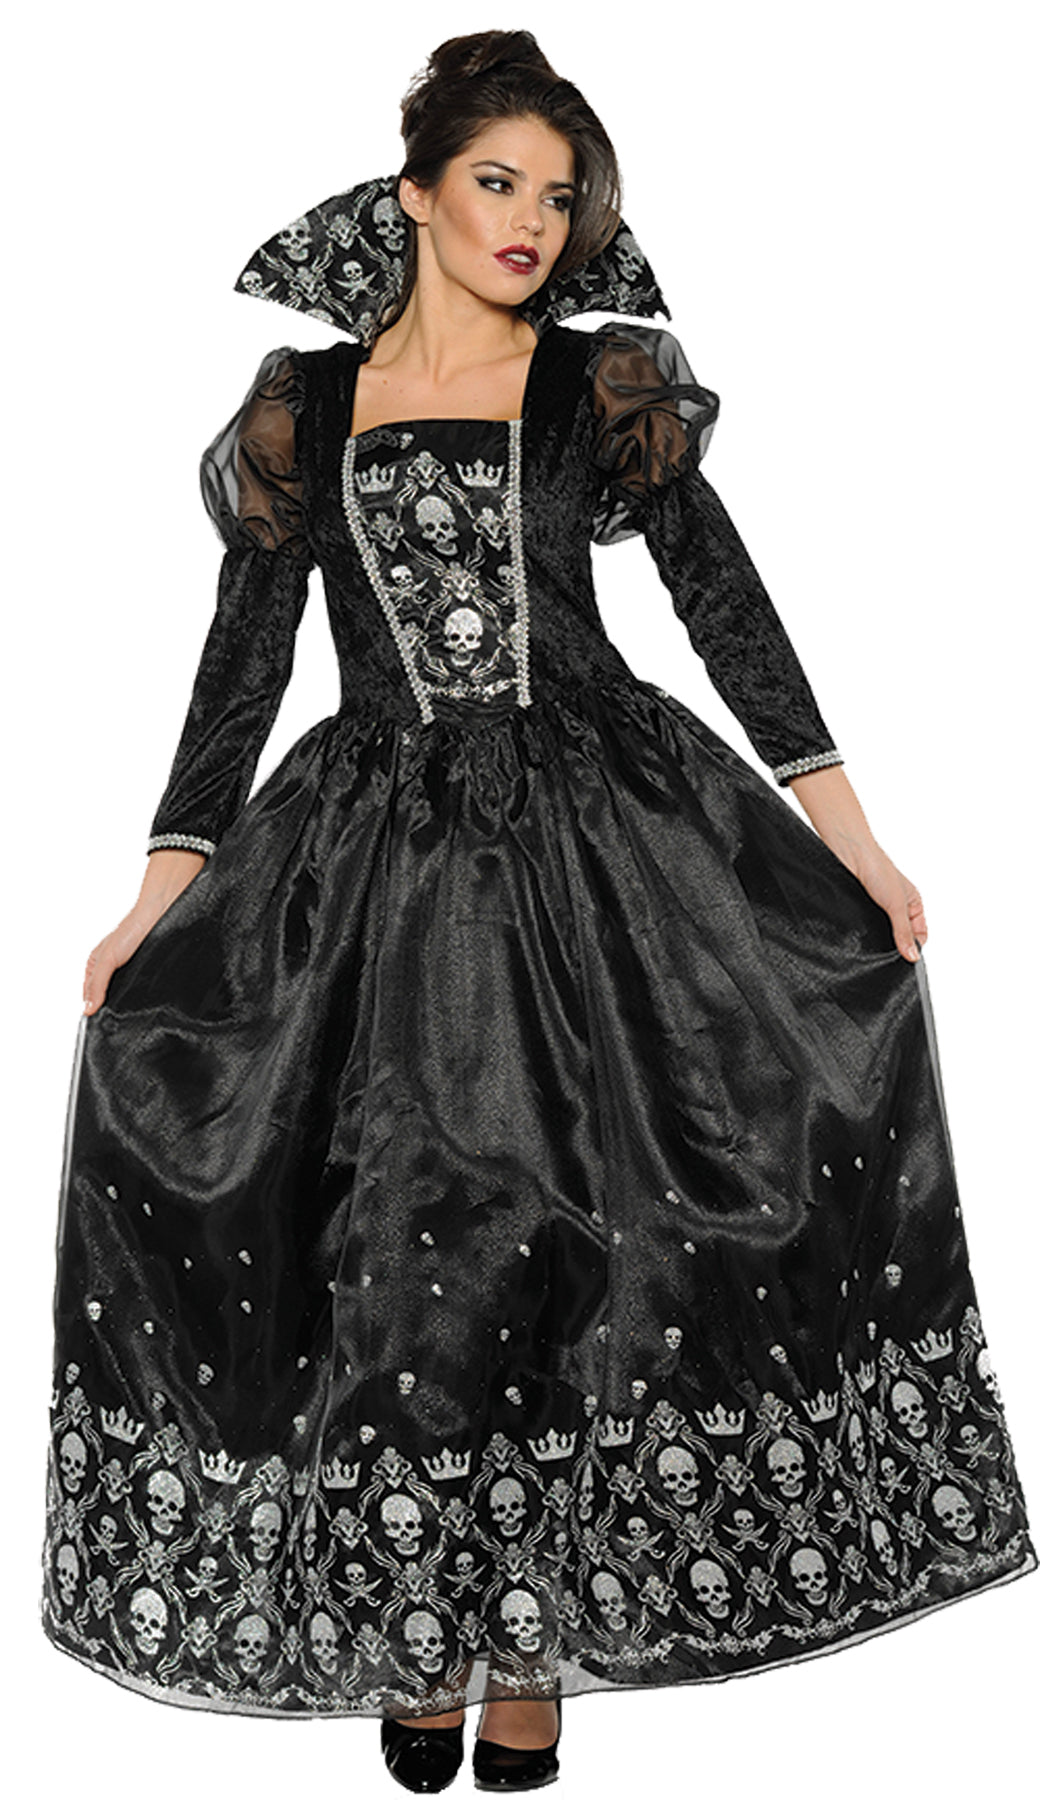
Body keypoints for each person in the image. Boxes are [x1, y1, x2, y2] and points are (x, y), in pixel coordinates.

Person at [41, 26, 1035, 1799]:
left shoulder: (593, 389)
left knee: (587, 1252)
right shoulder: (309, 407)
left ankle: (528, 1649)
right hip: (377, 868)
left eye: (560, 197)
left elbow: (726, 605)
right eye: (496, 182)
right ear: (414, 193)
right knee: (409, 1255)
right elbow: (241, 665)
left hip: (605, 848)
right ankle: (432, 1625)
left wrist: (861, 847)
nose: (529, 221)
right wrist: (156, 895)